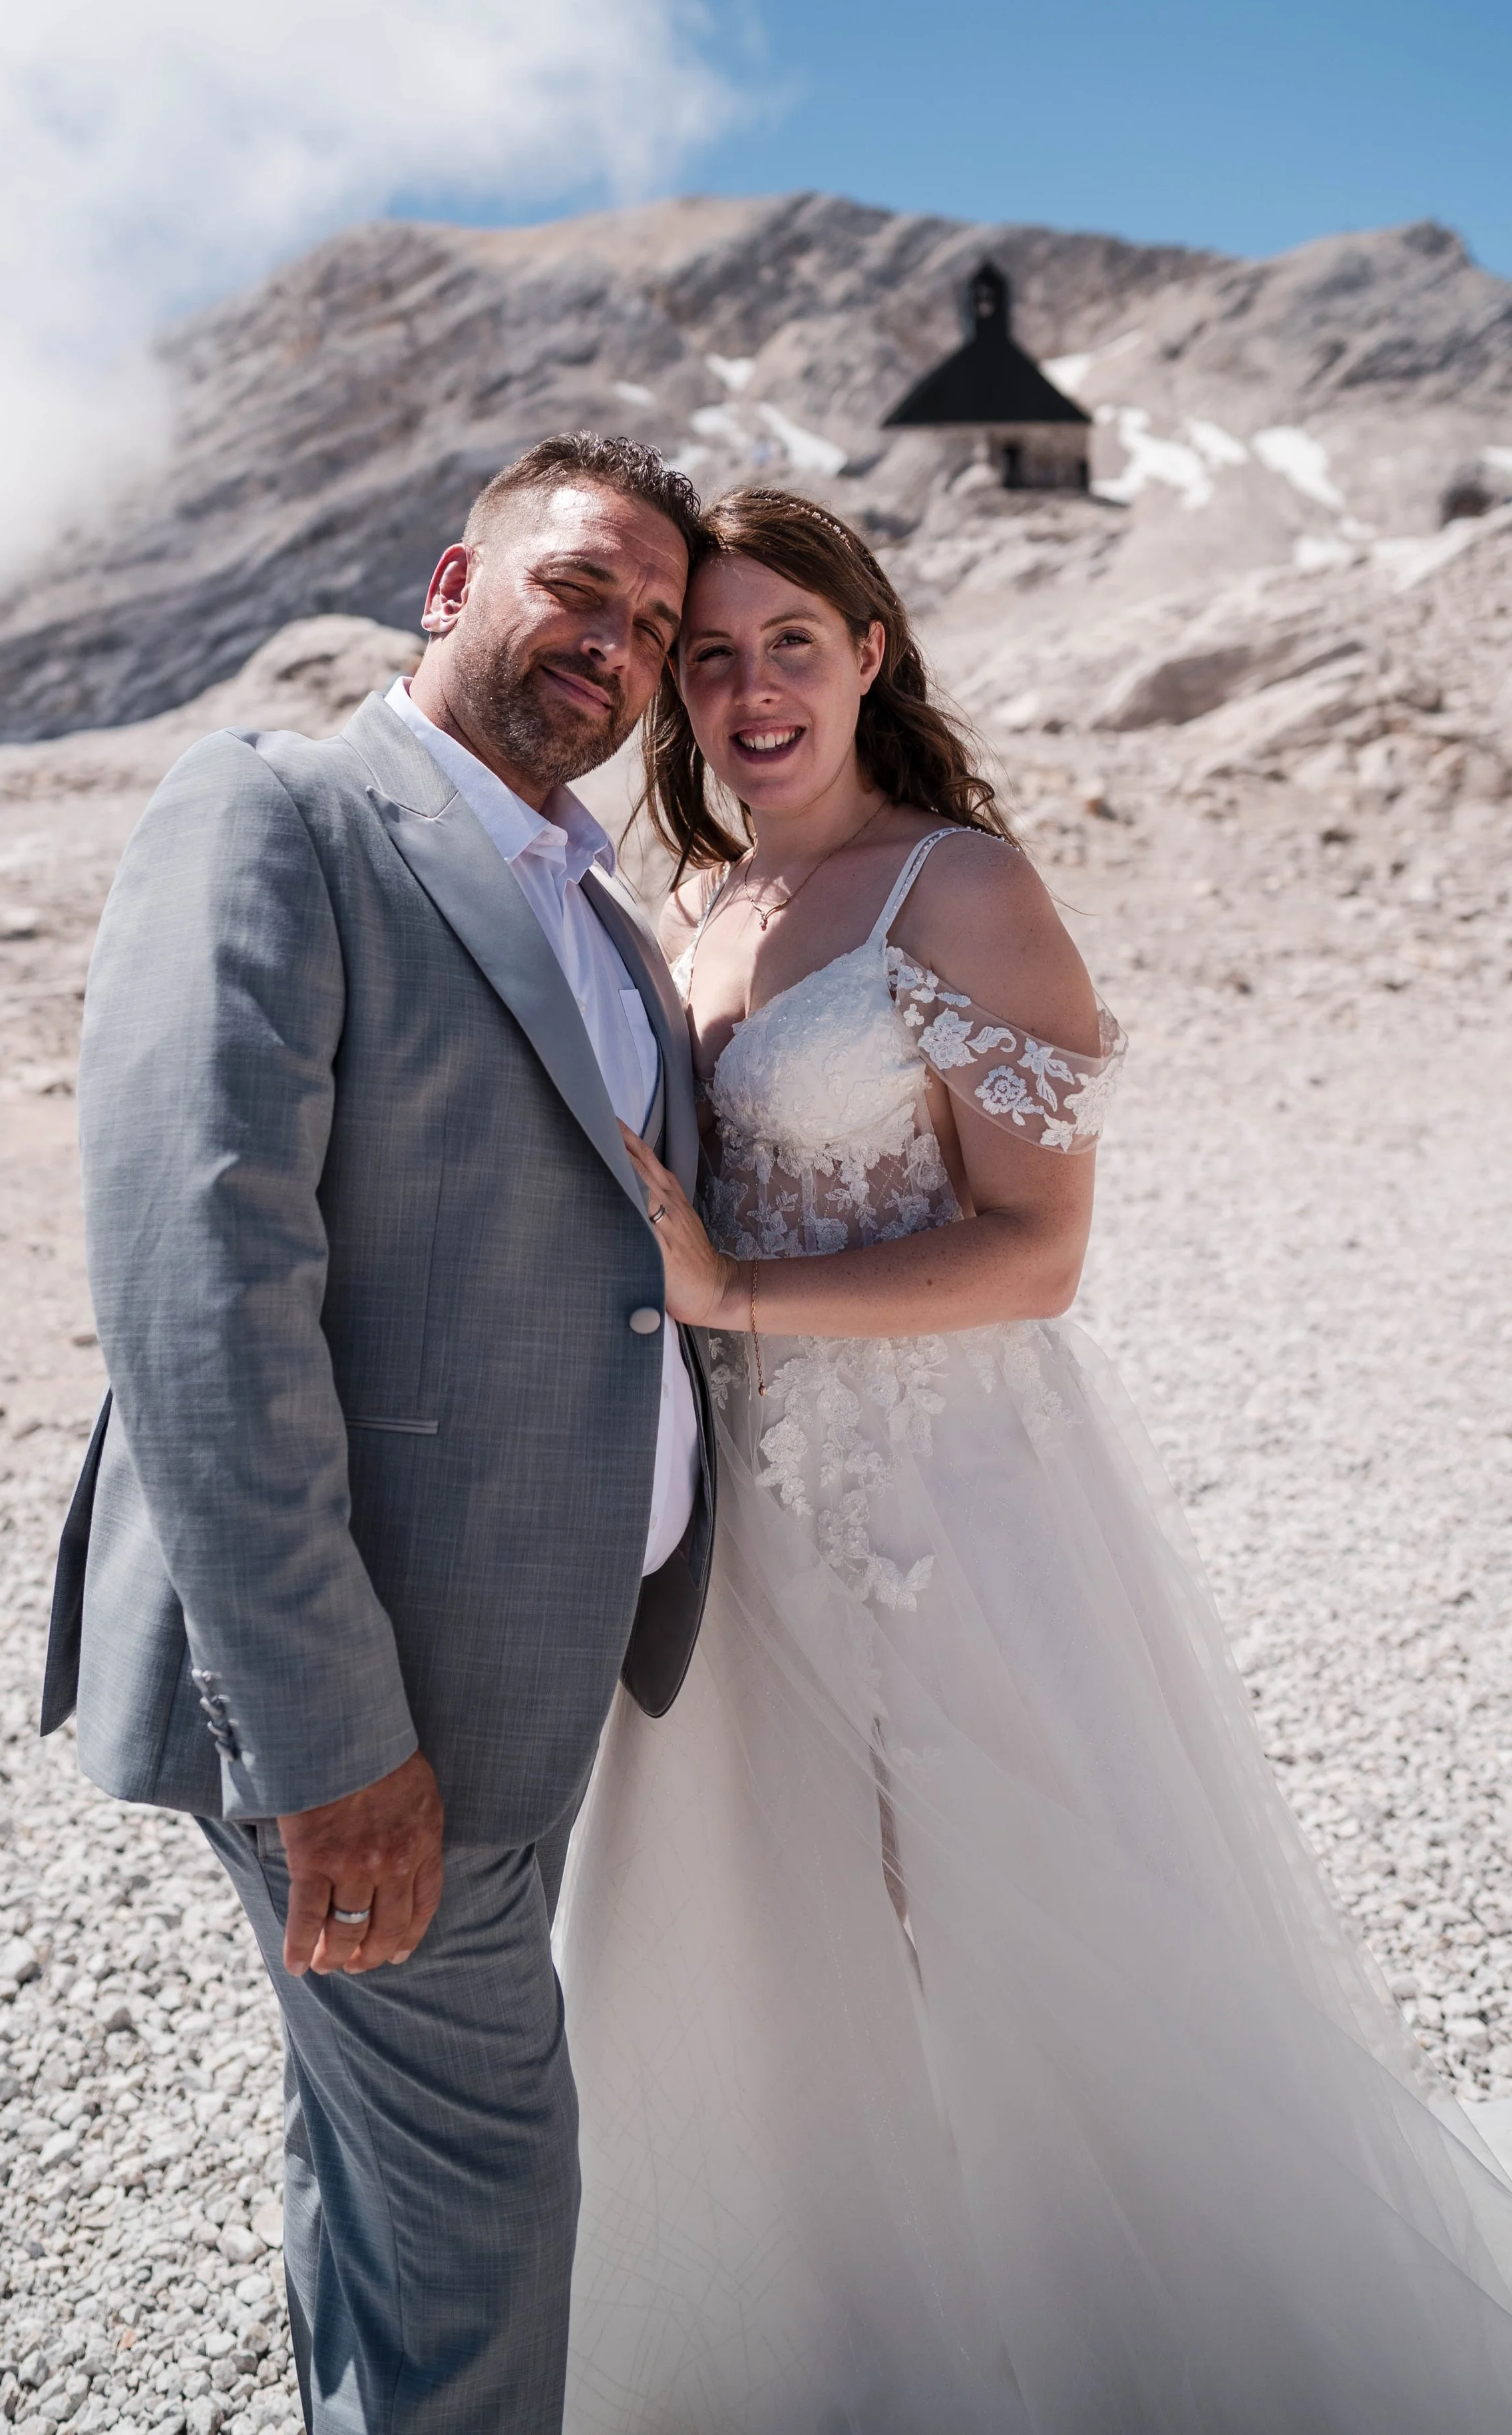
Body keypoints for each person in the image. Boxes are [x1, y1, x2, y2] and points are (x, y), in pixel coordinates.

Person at [555, 486, 1512, 2432]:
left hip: (939, 1505)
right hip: (729, 1526)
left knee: (995, 1931)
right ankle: (851, 2346)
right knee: (774, 1949)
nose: (751, 691)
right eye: (712, 655)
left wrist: (730, 1289)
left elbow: (1036, 1254)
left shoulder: (957, 890)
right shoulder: (693, 905)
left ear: (869, 654)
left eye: (791, 646)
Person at [39, 435, 717, 2434]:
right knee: (488, 2205)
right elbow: (199, 1286)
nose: (618, 643)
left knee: (392, 2178)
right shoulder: (280, 813)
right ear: (451, 579)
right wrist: (331, 1745)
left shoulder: (592, 913)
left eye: (656, 627)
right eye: (582, 587)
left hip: (515, 1671)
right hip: (362, 1697)